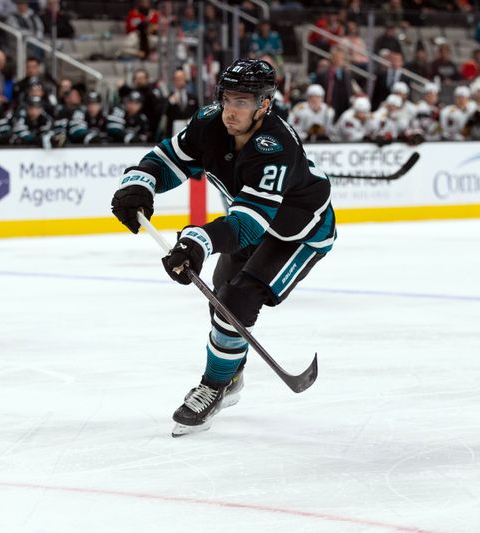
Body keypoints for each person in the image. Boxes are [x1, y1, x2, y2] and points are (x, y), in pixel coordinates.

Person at [111, 59, 336, 436]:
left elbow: (250, 223)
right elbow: (168, 160)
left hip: (297, 234)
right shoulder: (210, 122)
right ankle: (232, 374)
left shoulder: (275, 146)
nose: (232, 109)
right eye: (228, 98)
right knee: (221, 299)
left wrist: (198, 241)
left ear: (265, 105)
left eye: (244, 102)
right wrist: (140, 183)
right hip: (248, 222)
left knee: (238, 302)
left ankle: (214, 386)